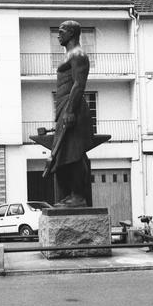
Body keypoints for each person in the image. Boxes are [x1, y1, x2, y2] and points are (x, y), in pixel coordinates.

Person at [50, 20, 94, 207]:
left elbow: (79, 84)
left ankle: (78, 196)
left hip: (72, 108)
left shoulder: (78, 55)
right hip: (64, 106)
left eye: (61, 31)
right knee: (62, 155)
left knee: (72, 154)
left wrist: (70, 111)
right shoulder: (69, 55)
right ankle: (71, 195)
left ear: (72, 33)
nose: (58, 35)